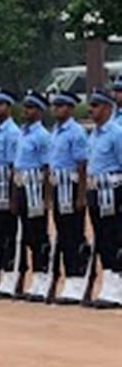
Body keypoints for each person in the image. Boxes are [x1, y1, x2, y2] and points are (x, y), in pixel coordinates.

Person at [49, 90, 91, 304]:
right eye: (55, 105)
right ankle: (70, 275)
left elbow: (82, 165)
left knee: (73, 233)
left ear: (70, 109)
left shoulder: (76, 132)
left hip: (72, 187)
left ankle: (77, 276)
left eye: (61, 106)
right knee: (63, 233)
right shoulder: (55, 131)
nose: (56, 109)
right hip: (58, 186)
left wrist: (81, 196)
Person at [15, 90, 54, 302]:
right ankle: (28, 275)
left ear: (39, 111)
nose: (25, 111)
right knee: (25, 234)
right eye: (25, 107)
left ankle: (42, 274)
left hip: (35, 189)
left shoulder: (42, 136)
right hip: (21, 186)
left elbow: (47, 169)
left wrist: (46, 199)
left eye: (30, 108)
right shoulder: (23, 132)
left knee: (38, 233)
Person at [86, 87, 122, 308]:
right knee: (101, 238)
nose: (91, 110)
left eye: (96, 105)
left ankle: (117, 286)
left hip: (113, 191)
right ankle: (108, 282)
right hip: (96, 191)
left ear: (108, 108)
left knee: (114, 237)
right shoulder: (94, 134)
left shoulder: (117, 133)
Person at [0, 89, 23, 298]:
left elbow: (13, 168)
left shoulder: (11, 133)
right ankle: (2, 273)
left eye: (0, 104)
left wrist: (12, 197)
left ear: (9, 107)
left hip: (6, 188)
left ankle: (12, 275)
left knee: (9, 234)